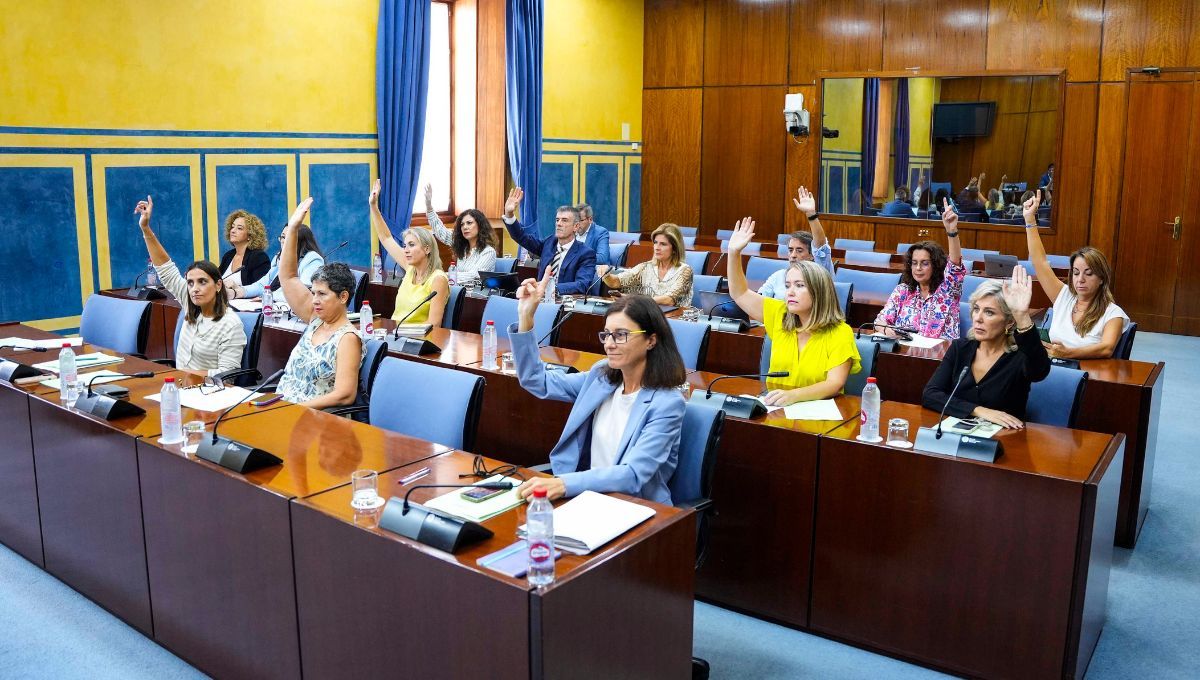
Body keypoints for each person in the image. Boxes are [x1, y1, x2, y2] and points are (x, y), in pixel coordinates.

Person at [510, 276, 686, 504]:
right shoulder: (602, 376)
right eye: (607, 334)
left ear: (651, 340)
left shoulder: (667, 403)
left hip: (636, 507)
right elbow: (536, 380)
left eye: (621, 335)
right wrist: (526, 317)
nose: (609, 344)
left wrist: (564, 484)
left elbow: (632, 475)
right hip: (587, 497)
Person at [726, 217, 860, 406]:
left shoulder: (840, 332)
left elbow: (834, 383)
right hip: (775, 407)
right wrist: (733, 253)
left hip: (817, 415)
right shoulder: (780, 314)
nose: (790, 292)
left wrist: (793, 396)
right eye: (788, 285)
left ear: (818, 291)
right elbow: (739, 292)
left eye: (799, 285)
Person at [922, 269, 1049, 429]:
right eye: (976, 309)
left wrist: (1021, 315)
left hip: (1005, 440)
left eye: (989, 312)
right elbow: (930, 395)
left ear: (1009, 322)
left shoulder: (1020, 357)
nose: (978, 318)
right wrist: (979, 411)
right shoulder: (960, 348)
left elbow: (1040, 371)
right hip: (958, 433)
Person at [134, 196, 246, 375]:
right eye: (190, 283)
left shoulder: (230, 324)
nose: (194, 288)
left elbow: (228, 375)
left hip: (208, 393)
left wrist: (187, 376)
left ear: (218, 285)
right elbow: (166, 268)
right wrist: (145, 228)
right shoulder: (191, 305)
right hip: (181, 385)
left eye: (202, 282)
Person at [275, 198, 363, 409]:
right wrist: (294, 228)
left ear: (343, 297)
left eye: (322, 294)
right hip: (281, 409)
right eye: (313, 293)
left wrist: (298, 410)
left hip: (315, 420)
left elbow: (344, 395)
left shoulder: (347, 338)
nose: (314, 300)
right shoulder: (315, 320)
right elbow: (287, 277)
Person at [1023, 194, 1127, 359]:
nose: (1080, 279)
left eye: (1089, 273)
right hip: (1053, 367)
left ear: (1102, 278)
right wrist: (1030, 221)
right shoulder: (1064, 296)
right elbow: (1040, 263)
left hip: (1085, 376)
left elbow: (1106, 348)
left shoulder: (1113, 313)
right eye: (1076, 273)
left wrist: (1068, 353)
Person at [874, 199, 967, 339]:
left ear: (935, 265)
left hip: (939, 356)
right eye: (914, 263)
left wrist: (952, 230)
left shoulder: (948, 290)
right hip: (905, 353)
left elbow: (955, 267)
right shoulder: (902, 291)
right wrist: (886, 330)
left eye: (925, 263)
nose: (918, 268)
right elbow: (880, 321)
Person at [368, 180, 450, 325]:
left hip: (416, 340)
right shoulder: (410, 268)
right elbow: (385, 237)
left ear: (427, 248)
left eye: (411, 245)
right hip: (396, 334)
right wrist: (373, 206)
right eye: (405, 245)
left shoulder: (438, 279)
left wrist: (402, 333)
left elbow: (434, 324)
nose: (406, 250)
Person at [501, 187, 597, 295]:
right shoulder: (549, 243)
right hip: (539, 300)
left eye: (564, 220)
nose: (559, 223)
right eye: (557, 220)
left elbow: (581, 285)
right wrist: (509, 214)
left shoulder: (585, 253)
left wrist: (550, 288)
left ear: (576, 226)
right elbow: (522, 238)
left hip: (564, 304)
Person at [760, 186, 834, 300]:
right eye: (790, 250)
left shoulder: (820, 274)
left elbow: (821, 246)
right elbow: (760, 300)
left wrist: (811, 214)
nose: (793, 255)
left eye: (799, 250)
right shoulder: (779, 276)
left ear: (811, 255)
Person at [421, 182, 498, 283]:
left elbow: (475, 275)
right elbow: (440, 231)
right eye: (462, 224)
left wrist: (443, 276)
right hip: (459, 291)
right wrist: (429, 206)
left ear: (480, 225)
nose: (465, 227)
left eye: (469, 223)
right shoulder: (463, 246)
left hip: (476, 296)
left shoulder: (488, 251)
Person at [601, 223, 694, 306]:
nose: (657, 248)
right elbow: (616, 282)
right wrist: (605, 274)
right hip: (651, 316)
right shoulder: (646, 267)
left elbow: (669, 300)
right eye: (655, 243)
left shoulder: (685, 270)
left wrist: (632, 299)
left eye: (663, 244)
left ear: (674, 249)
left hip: (675, 319)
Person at [231, 225, 325, 305]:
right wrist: (238, 292)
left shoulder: (312, 259)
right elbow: (263, 285)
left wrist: (268, 296)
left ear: (301, 241)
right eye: (283, 237)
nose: (283, 241)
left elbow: (303, 292)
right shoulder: (279, 257)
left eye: (289, 238)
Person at [218, 209, 271, 287]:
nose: (233, 231)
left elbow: (260, 287)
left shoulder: (258, 257)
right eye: (232, 227)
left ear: (250, 235)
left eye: (239, 228)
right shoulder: (228, 256)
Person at [575, 203, 611, 268]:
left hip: (591, 274)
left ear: (590, 219)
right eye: (575, 220)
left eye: (580, 220)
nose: (577, 224)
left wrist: (577, 257)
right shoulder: (571, 231)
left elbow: (602, 258)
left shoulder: (601, 233)